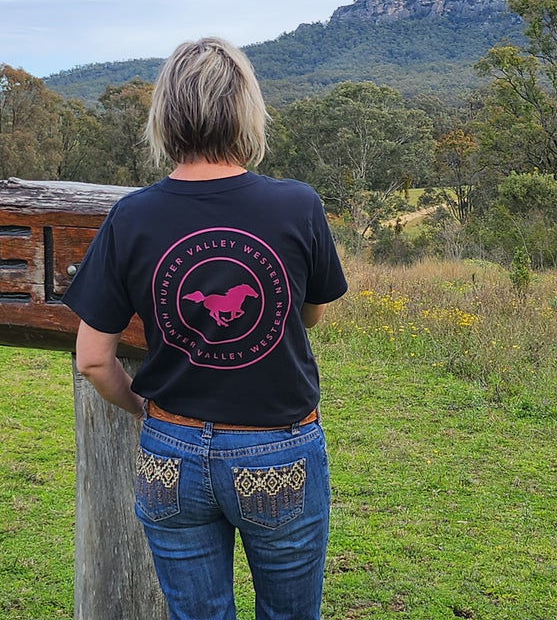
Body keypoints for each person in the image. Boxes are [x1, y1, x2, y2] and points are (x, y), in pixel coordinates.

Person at [62, 37, 348, 620]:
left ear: (165, 115)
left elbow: (93, 358)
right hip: (278, 452)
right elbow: (309, 314)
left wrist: (151, 415)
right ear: (246, 110)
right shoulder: (296, 205)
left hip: (171, 453)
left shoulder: (133, 215)